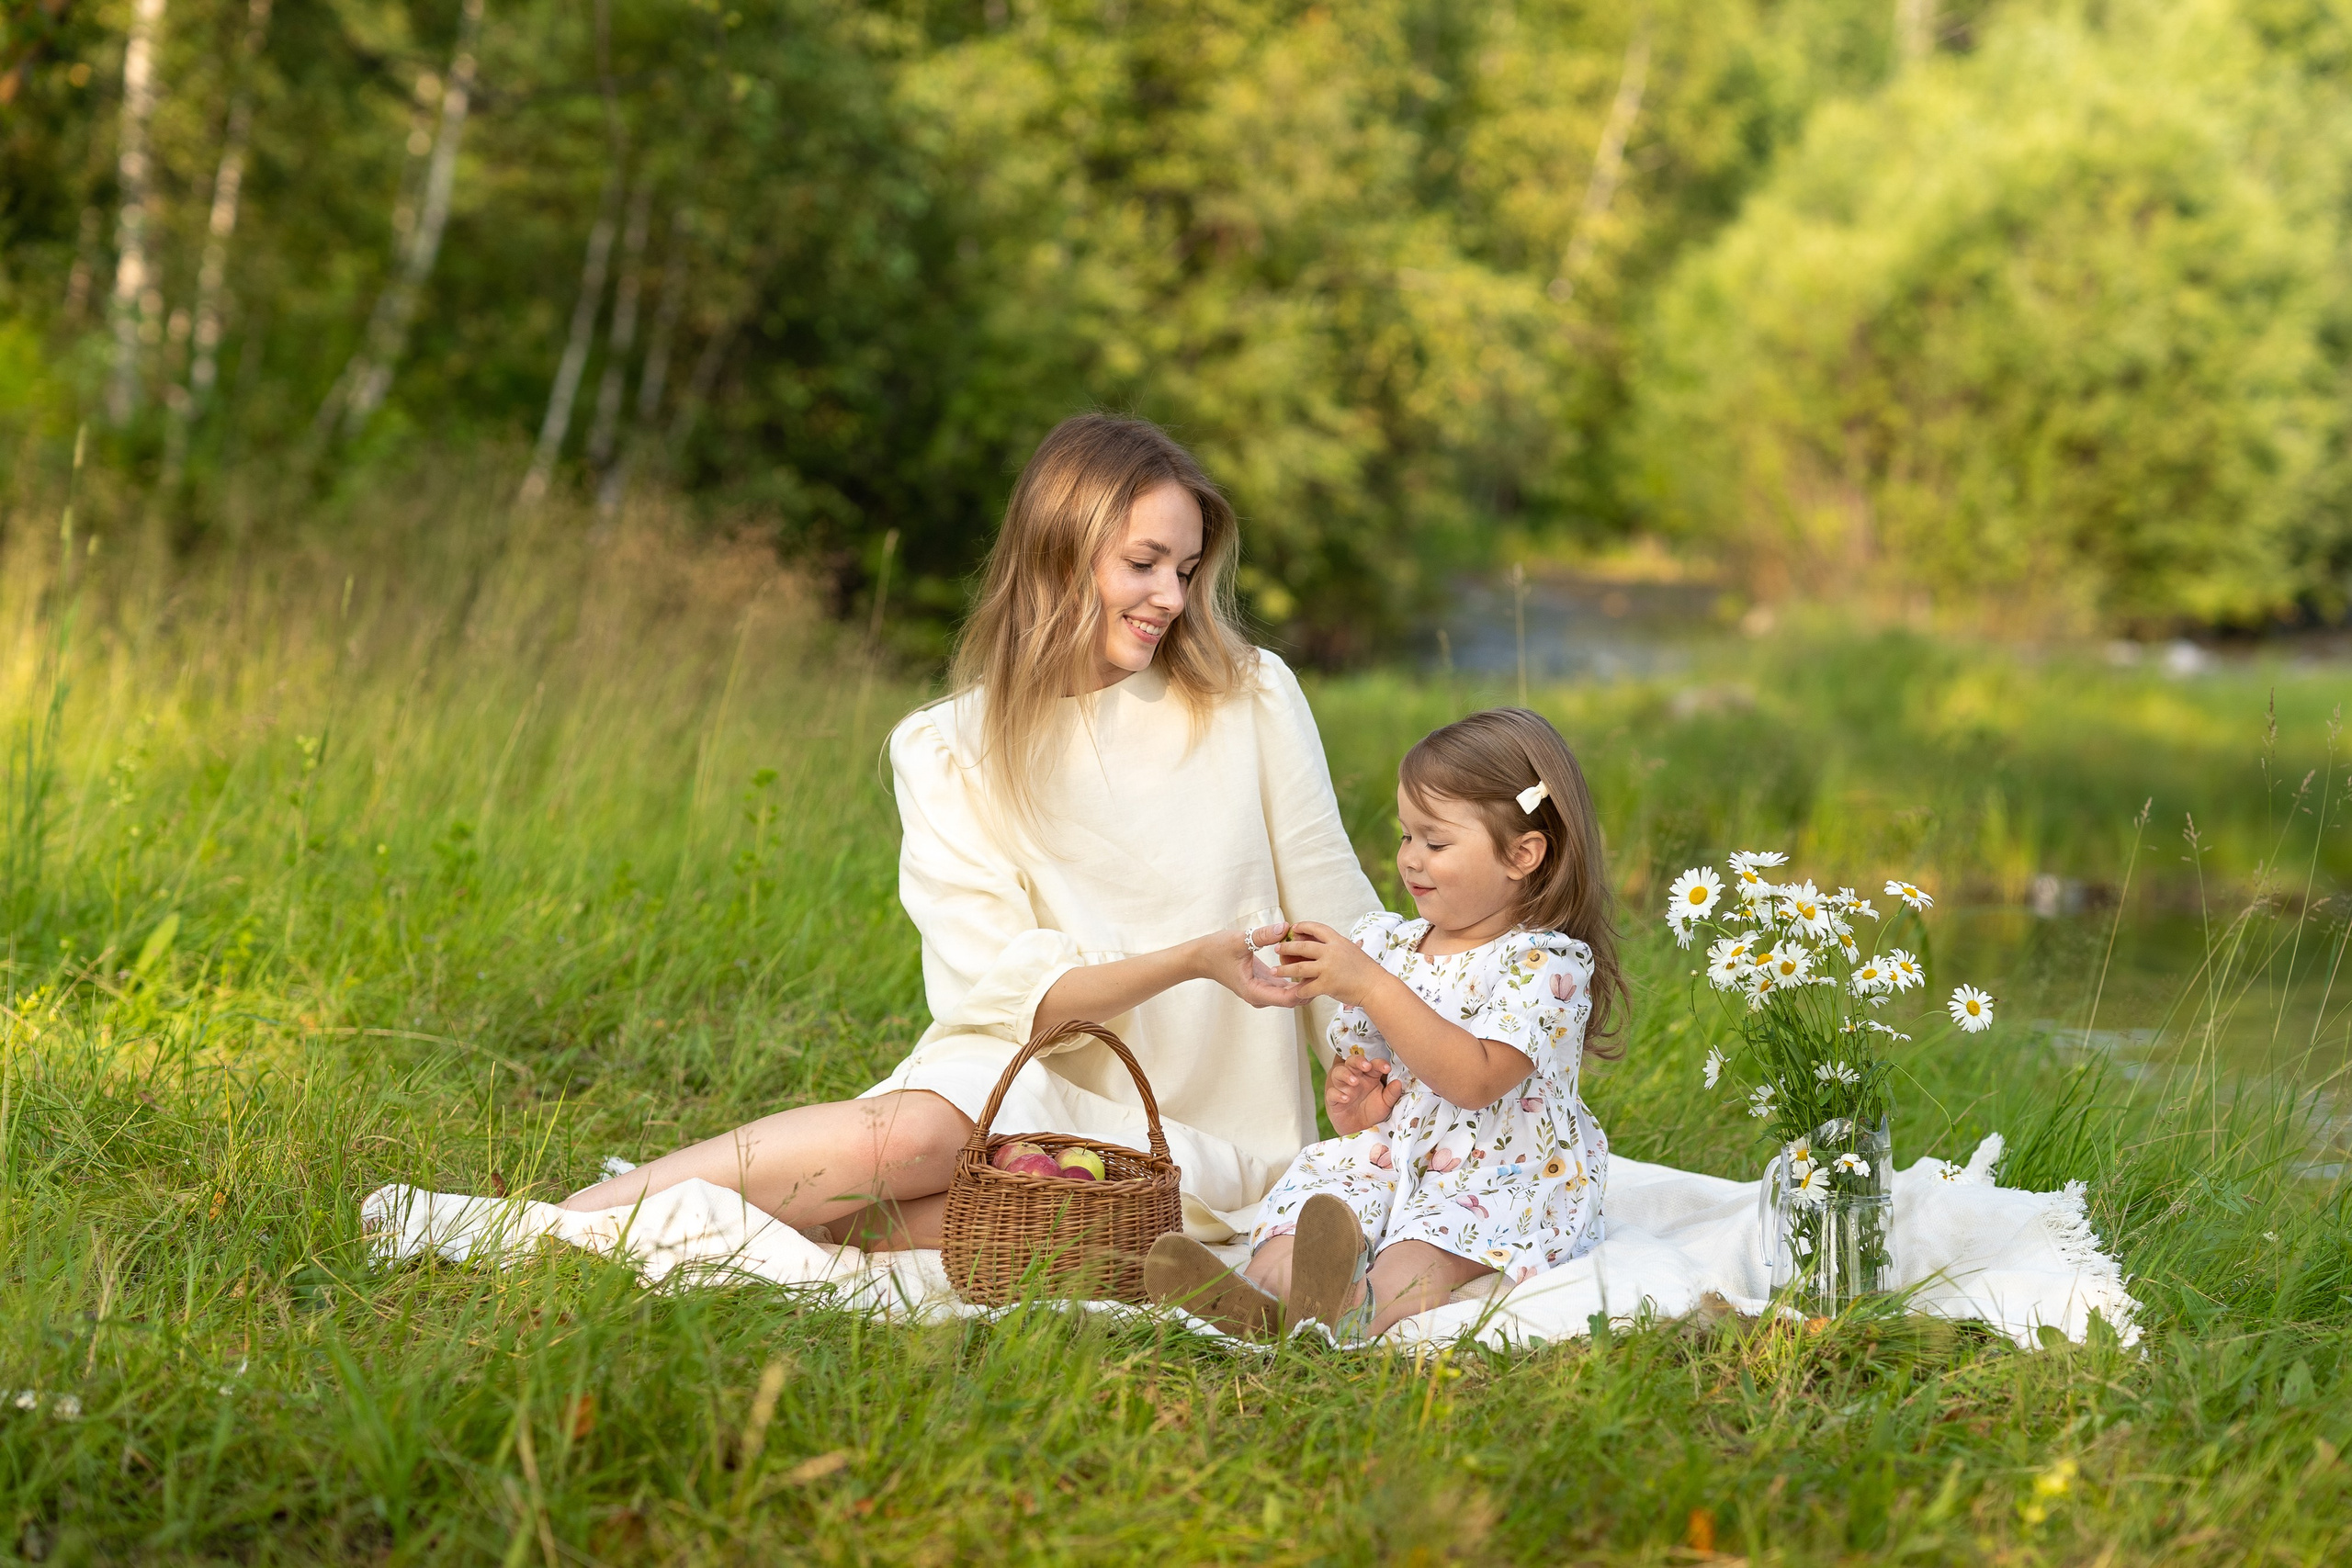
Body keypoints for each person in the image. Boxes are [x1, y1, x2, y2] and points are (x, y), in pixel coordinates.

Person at [561, 412, 1381, 1244]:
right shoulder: (950, 749)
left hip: (1202, 1139)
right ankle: (546, 1223)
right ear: (1060, 553)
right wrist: (1193, 960)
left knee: (1033, 1226)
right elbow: (1015, 1000)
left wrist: (1390, 1092)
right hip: (1013, 1080)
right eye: (1143, 564)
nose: (1171, 597)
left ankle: (681, 1226)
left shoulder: (1250, 696)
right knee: (911, 1137)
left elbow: (1337, 913)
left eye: (1186, 567)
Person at [1142, 707, 1625, 1339]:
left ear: (1522, 854)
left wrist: (1369, 982)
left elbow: (1474, 1080)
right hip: (1394, 1155)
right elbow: (1372, 1081)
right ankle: (1263, 1291)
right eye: (1405, 836)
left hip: (1496, 1175)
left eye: (1436, 841)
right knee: (1322, 1203)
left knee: (1424, 1243)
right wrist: (1354, 1104)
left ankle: (1354, 1309)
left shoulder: (1544, 964)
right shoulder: (1392, 946)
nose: (1411, 860)